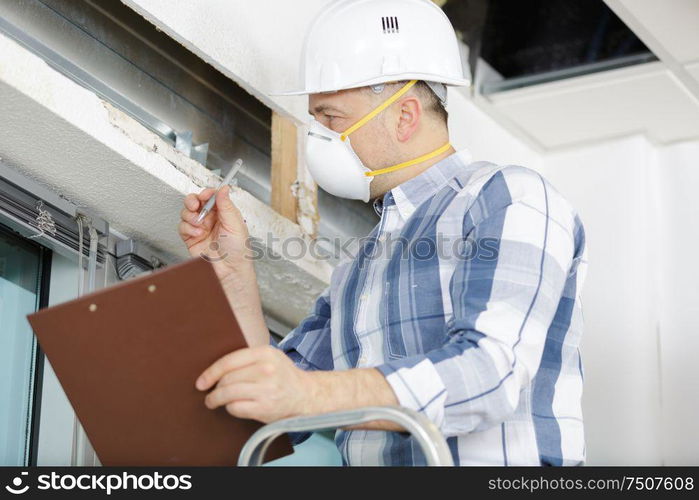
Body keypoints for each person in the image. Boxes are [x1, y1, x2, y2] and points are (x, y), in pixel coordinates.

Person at [178, 0, 587, 466]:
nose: (317, 137)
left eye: (330, 119)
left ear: (404, 115)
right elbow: (269, 417)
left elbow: (491, 374)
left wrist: (306, 394)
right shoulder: (358, 264)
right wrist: (230, 271)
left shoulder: (509, 198)